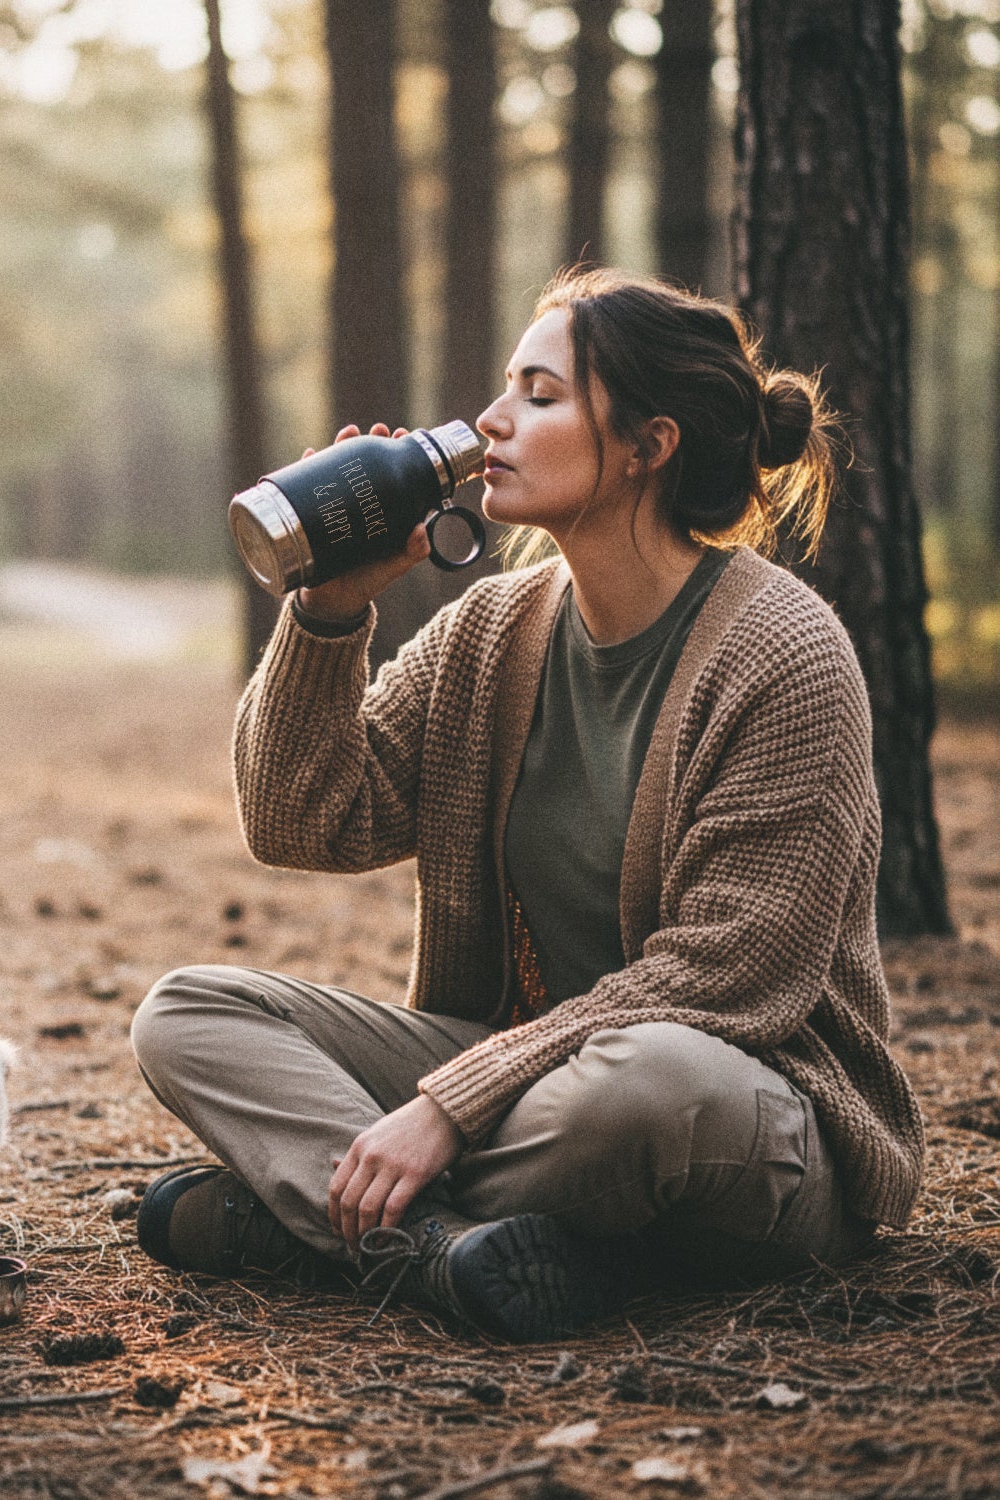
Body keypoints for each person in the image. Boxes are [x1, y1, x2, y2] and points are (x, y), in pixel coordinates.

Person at [128, 267, 925, 1341]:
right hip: (529, 1084)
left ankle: (309, 1219)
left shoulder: (783, 655)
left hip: (744, 1108)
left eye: (540, 395)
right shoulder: (492, 630)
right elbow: (302, 821)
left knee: (643, 1086)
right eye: (508, 388)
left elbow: (726, 977)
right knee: (189, 1011)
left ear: (650, 444)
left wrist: (446, 1108)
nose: (490, 421)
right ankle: (433, 1250)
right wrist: (327, 610)